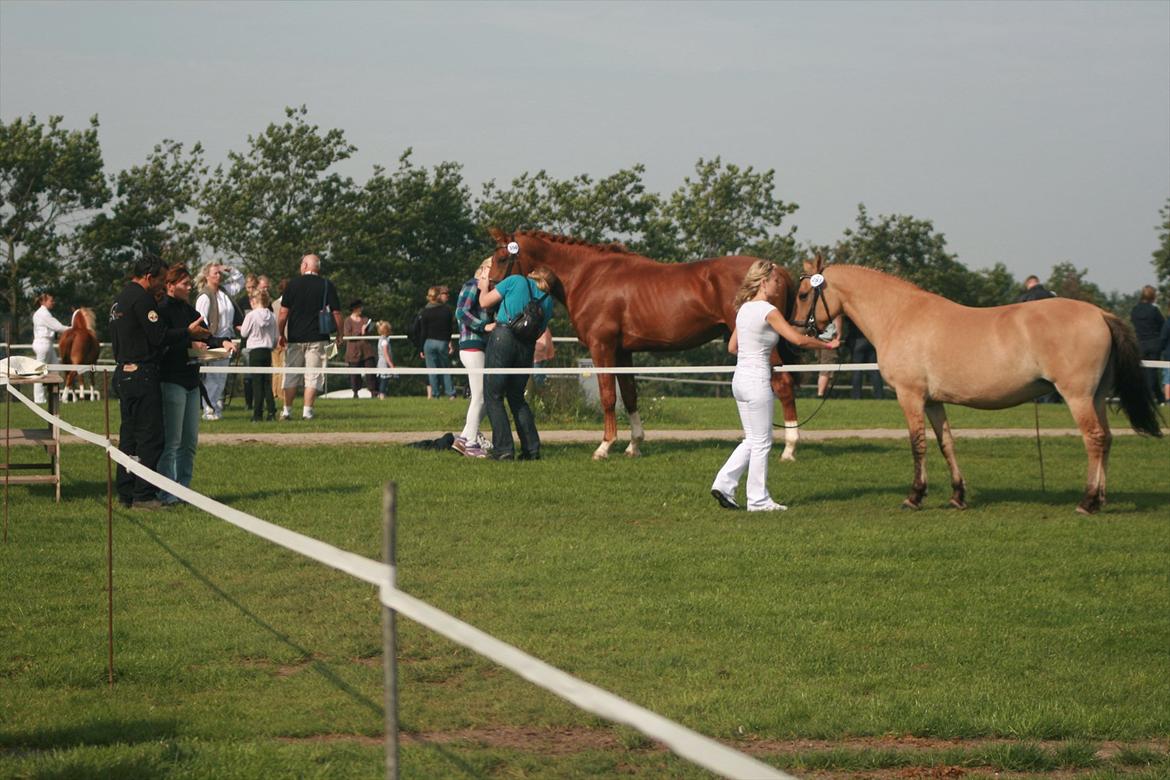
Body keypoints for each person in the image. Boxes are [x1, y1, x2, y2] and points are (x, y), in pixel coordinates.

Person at [711, 260, 839, 512]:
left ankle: (723, 484)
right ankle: (758, 500)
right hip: (757, 380)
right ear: (763, 282)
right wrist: (827, 345)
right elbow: (797, 340)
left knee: (752, 439)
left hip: (740, 380)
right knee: (762, 442)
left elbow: (732, 348)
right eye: (775, 282)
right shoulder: (768, 311)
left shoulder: (744, 309)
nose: (779, 286)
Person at [110, 254, 210, 510]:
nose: (162, 285)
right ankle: (144, 495)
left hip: (123, 371)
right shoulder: (143, 300)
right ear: (148, 277)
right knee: (150, 437)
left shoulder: (120, 299)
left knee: (129, 436)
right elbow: (158, 337)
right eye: (160, 280)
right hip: (143, 373)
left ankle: (126, 491)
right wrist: (188, 333)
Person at [157, 265, 235, 505]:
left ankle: (184, 489)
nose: (189, 287)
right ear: (170, 286)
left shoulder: (189, 310)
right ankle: (166, 492)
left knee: (189, 441)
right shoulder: (161, 311)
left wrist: (224, 342)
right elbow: (162, 342)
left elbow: (206, 336)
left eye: (189, 283)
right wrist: (188, 341)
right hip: (172, 380)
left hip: (192, 381)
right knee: (172, 442)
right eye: (184, 284)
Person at [476, 266, 557, 461]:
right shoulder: (548, 301)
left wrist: (483, 287)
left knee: (493, 395)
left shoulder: (516, 281)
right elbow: (540, 331)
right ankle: (531, 449)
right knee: (517, 397)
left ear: (533, 274)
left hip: (503, 337)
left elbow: (485, 303)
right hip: (527, 346)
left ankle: (503, 449)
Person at [277, 254, 342, 421]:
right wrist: (340, 334)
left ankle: (287, 410)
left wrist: (280, 333)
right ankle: (307, 411)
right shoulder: (327, 285)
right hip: (318, 336)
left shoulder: (292, 284)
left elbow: (283, 313)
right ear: (317, 267)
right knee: (313, 375)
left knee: (291, 373)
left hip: (295, 337)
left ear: (305, 266)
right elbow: (336, 312)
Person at [452, 258, 496, 457]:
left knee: (484, 396)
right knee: (480, 396)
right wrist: (482, 326)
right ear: (483, 269)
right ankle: (470, 443)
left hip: (479, 347)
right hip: (471, 346)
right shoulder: (472, 285)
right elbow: (461, 312)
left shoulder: (486, 291)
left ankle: (464, 437)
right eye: (490, 268)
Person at [194, 262, 237, 420]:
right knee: (212, 377)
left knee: (221, 377)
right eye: (215, 273)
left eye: (220, 273)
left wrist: (229, 268)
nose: (219, 276)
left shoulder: (224, 292)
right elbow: (200, 320)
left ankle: (214, 407)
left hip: (227, 339)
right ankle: (208, 409)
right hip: (213, 340)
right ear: (207, 276)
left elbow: (239, 281)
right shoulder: (205, 296)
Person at [240, 288, 278, 421]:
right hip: (267, 350)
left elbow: (243, 333)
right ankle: (272, 411)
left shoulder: (251, 315)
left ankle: (257, 413)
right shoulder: (272, 316)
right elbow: (275, 337)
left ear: (255, 300)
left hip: (255, 351)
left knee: (257, 383)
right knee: (267, 382)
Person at [418, 285, 456, 400]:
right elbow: (450, 329)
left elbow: (423, 331)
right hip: (442, 342)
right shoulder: (447, 311)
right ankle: (451, 393)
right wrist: (449, 342)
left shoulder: (425, 311)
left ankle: (435, 394)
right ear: (438, 296)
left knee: (432, 370)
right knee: (445, 368)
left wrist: (421, 348)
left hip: (428, 342)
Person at [30, 292, 70, 403]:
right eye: (51, 301)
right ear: (43, 302)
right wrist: (73, 328)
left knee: (55, 369)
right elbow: (58, 327)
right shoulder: (43, 313)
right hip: (43, 344)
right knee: (39, 372)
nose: (53, 302)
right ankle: (39, 399)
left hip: (47, 344)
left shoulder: (42, 313)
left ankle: (54, 396)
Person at [1130, 285, 1165, 403]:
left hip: (1140, 343)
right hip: (1154, 343)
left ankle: (1160, 398)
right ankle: (1149, 396)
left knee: (1145, 371)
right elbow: (1162, 325)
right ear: (1152, 296)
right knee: (1152, 372)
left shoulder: (1135, 310)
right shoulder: (1154, 310)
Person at [343, 299, 378, 398]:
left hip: (367, 350)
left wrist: (368, 329)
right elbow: (347, 335)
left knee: (371, 372)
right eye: (359, 307)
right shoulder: (347, 321)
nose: (361, 309)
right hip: (353, 352)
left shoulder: (365, 319)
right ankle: (355, 392)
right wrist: (360, 332)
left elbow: (370, 332)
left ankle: (373, 391)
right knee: (354, 375)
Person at [848, 322, 883, 400]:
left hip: (857, 341)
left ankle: (856, 396)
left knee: (857, 371)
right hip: (870, 341)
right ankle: (879, 396)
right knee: (875, 371)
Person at [375, 321, 397, 399]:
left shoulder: (381, 339)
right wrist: (391, 365)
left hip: (381, 362)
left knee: (383, 379)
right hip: (384, 363)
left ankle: (382, 394)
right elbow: (386, 355)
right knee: (384, 380)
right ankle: (381, 394)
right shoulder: (384, 341)